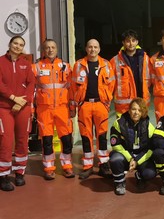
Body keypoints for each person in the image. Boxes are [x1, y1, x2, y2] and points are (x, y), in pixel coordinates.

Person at [71, 39, 115, 179]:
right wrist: (75, 104)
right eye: (90, 47)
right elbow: (73, 87)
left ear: (99, 49)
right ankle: (88, 166)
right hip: (84, 105)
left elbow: (112, 84)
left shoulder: (106, 65)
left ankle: (103, 164)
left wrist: (106, 101)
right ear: (86, 48)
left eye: (95, 47)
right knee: (85, 136)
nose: (92, 49)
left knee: (102, 136)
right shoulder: (78, 65)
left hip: (100, 105)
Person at [32, 39, 74, 180]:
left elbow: (72, 88)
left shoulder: (65, 66)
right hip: (44, 110)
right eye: (47, 48)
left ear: (57, 49)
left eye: (53, 47)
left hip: (63, 108)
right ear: (44, 50)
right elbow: (31, 88)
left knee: (67, 139)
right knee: (47, 140)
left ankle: (67, 166)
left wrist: (72, 106)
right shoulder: (36, 67)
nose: (50, 50)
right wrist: (32, 108)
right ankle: (49, 168)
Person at [0, 36, 35, 191]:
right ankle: (4, 175)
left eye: (21, 45)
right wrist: (13, 98)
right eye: (15, 43)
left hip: (23, 108)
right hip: (4, 108)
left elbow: (31, 84)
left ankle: (20, 172)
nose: (18, 46)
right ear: (10, 44)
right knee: (6, 141)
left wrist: (22, 101)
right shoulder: (0, 62)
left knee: (22, 140)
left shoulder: (26, 65)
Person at [109, 98, 156, 195]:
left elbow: (151, 148)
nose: (136, 113)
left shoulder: (148, 126)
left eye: (139, 110)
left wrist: (137, 161)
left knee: (150, 173)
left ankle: (140, 176)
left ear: (143, 112)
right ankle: (119, 182)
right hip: (125, 156)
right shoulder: (119, 123)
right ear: (129, 110)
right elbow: (116, 145)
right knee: (115, 159)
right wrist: (130, 158)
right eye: (134, 109)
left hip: (141, 157)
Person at [110, 29, 151, 116]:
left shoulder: (145, 58)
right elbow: (110, 83)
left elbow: (151, 78)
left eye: (133, 40)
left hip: (142, 102)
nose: (131, 43)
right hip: (123, 106)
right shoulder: (115, 60)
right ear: (123, 43)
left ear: (137, 42)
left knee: (142, 128)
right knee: (123, 129)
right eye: (128, 41)